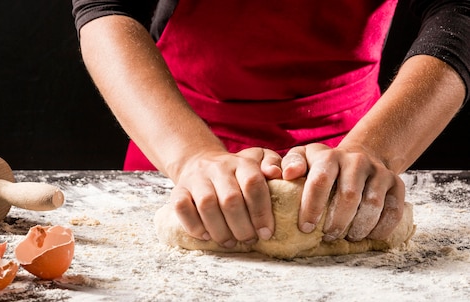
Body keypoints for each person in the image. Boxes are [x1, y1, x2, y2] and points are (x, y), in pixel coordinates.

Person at [72, 1, 469, 248]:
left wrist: (375, 149)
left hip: (351, 155)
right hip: (175, 145)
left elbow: (459, 9)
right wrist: (189, 156)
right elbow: (105, 7)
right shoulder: (182, 156)